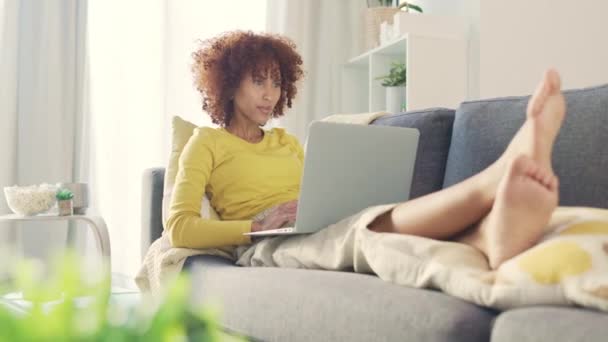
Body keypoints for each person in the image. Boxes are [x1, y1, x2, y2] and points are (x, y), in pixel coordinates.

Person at [168, 30, 565, 269]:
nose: (270, 94)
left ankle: (489, 238)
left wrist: (322, 206)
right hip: (266, 246)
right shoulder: (206, 143)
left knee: (366, 222)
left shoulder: (285, 142)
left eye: (276, 83)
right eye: (259, 81)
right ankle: (491, 182)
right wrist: (253, 228)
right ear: (229, 83)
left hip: (313, 229)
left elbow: (318, 195)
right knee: (371, 228)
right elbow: (179, 229)